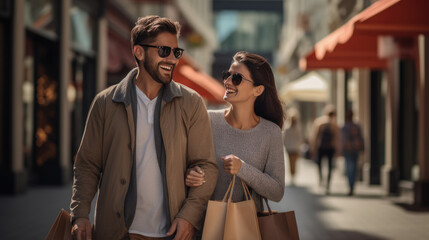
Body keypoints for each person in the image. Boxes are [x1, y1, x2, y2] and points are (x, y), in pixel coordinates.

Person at [70, 15, 218, 240]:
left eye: (176, 52)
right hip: (117, 232)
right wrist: (80, 214)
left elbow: (207, 165)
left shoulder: (192, 103)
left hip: (172, 232)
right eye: (164, 51)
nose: (172, 59)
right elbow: (87, 165)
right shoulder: (105, 103)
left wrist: (189, 216)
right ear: (139, 52)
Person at [186, 51, 285, 214]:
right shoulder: (207, 120)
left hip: (246, 229)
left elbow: (277, 192)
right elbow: (188, 165)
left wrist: (242, 169)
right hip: (203, 226)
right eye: (227, 75)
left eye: (237, 78)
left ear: (258, 90)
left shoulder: (271, 132)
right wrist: (190, 174)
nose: (228, 81)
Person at [310, 104, 340, 194]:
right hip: (330, 147)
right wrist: (337, 149)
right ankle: (328, 183)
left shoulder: (319, 122)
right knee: (330, 166)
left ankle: (321, 179)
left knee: (319, 164)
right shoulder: (334, 124)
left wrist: (313, 147)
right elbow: (337, 138)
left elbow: (315, 136)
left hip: (321, 146)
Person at [341, 109, 364, 196]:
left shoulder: (345, 127)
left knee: (349, 167)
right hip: (355, 149)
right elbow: (361, 138)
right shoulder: (357, 126)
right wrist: (362, 148)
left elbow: (342, 140)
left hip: (348, 149)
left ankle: (351, 186)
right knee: (354, 167)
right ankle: (352, 185)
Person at [283, 108, 303, 185]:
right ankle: (293, 175)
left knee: (291, 162)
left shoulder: (289, 127)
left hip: (291, 147)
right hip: (294, 147)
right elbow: (300, 137)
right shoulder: (295, 127)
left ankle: (292, 176)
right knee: (293, 162)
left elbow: (285, 137)